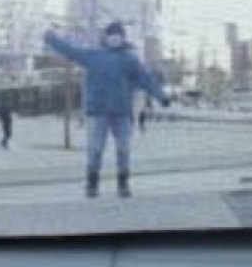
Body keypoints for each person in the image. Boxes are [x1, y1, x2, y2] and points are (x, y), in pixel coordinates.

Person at [44, 22, 170, 198]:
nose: (114, 38)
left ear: (123, 38)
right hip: (98, 111)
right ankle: (92, 184)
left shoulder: (129, 60)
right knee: (95, 149)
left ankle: (123, 183)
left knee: (123, 149)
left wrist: (161, 96)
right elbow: (71, 51)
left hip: (121, 112)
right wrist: (52, 39)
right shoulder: (94, 56)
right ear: (106, 36)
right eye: (112, 35)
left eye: (118, 35)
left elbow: (146, 79)